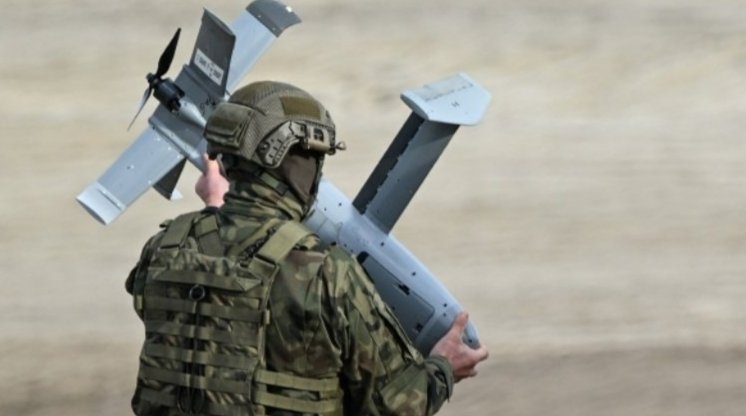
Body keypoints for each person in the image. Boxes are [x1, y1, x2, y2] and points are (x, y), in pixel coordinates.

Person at [126, 81, 488, 415]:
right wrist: (443, 368)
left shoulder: (164, 249)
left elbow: (206, 319)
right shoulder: (328, 274)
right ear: (293, 163)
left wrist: (215, 214)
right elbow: (393, 406)